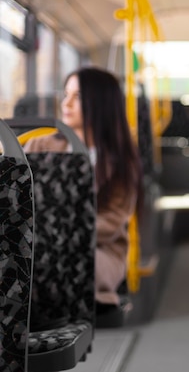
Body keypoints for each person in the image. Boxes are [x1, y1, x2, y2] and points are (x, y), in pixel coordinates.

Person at [24, 67, 143, 312]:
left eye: (77, 97)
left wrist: (56, 234)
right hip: (37, 243)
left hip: (98, 250)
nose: (66, 103)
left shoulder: (120, 160)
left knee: (55, 264)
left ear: (100, 104)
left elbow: (111, 222)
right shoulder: (38, 145)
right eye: (66, 94)